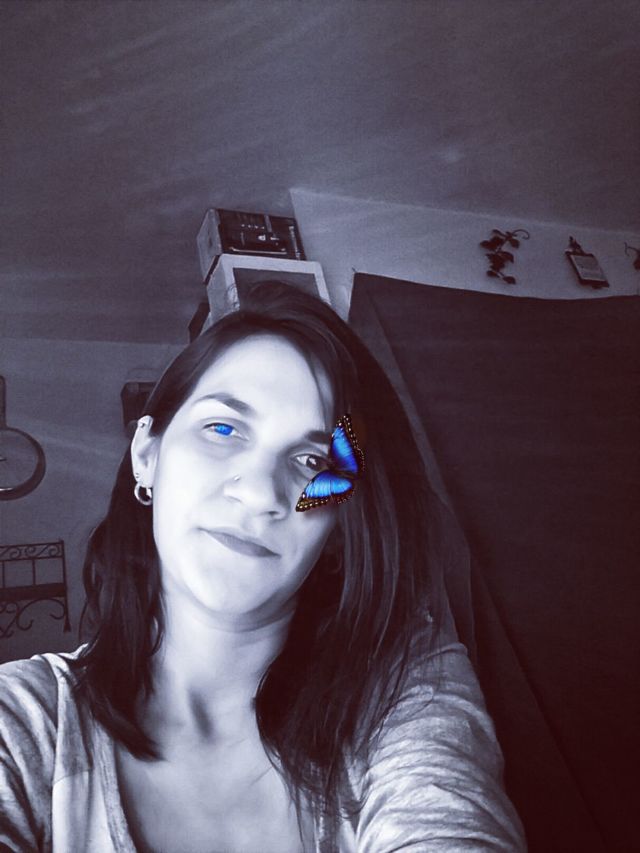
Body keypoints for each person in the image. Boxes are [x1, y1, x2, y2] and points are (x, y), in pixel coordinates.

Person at [0, 281, 526, 851]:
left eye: (313, 461)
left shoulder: (404, 685)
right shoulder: (26, 720)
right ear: (147, 455)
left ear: (340, 522)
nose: (259, 492)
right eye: (222, 429)